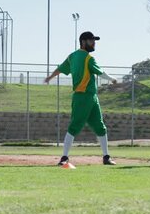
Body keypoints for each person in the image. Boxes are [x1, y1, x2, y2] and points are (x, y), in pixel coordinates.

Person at [44, 31, 118, 166]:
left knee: (100, 127)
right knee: (75, 126)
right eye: (91, 40)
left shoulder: (72, 57)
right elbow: (100, 72)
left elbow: (60, 69)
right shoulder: (87, 58)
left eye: (94, 40)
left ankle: (106, 157)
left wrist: (50, 77)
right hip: (82, 97)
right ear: (83, 42)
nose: (94, 43)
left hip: (92, 97)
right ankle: (64, 158)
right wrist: (112, 79)